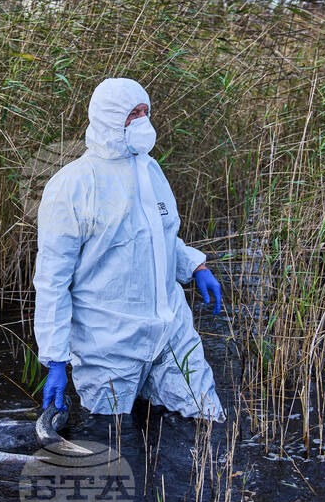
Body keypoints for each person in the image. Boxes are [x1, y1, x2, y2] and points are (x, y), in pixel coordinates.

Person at [33, 77, 225, 422]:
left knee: (206, 418)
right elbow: (52, 280)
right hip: (109, 343)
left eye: (145, 112)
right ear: (108, 118)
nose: (142, 122)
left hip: (170, 329)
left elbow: (158, 237)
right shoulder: (72, 185)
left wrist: (195, 266)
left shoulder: (150, 169)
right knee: (113, 437)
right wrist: (56, 359)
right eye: (132, 114)